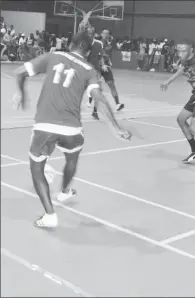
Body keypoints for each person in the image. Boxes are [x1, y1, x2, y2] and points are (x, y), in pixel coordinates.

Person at [13, 30, 131, 228]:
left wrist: (21, 94)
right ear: (86, 49)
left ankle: (50, 215)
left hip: (45, 124)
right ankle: (65, 192)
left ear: (72, 44)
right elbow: (99, 99)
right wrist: (116, 127)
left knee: (36, 166)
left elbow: (20, 72)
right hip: (72, 129)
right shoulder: (89, 69)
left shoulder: (54, 56)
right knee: (71, 159)